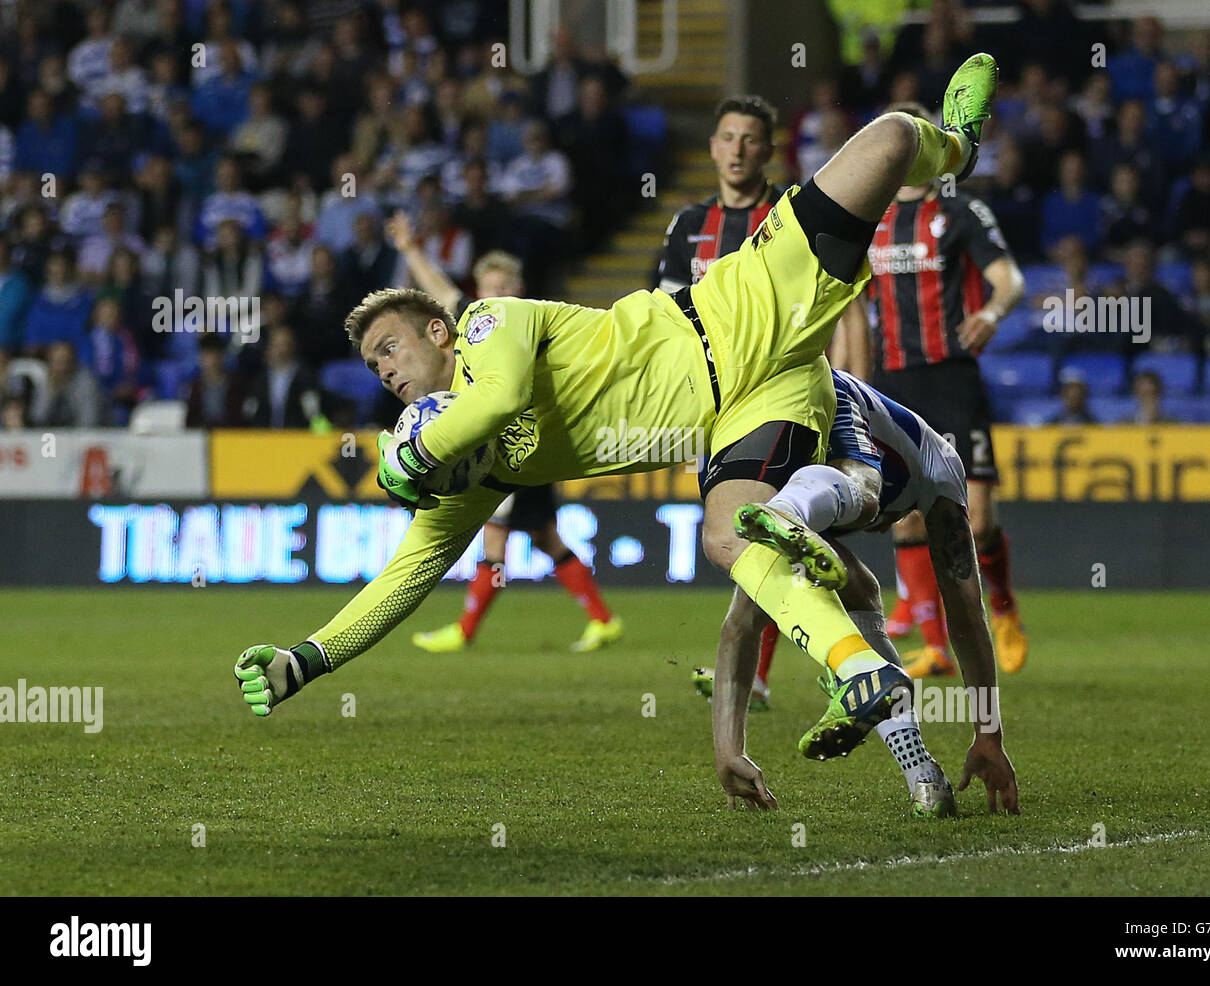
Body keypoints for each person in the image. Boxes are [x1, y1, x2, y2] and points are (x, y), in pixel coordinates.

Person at [232, 55, 1016, 814]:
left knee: (889, 138)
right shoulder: (473, 466)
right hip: (749, 407)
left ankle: (961, 145)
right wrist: (308, 658)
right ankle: (859, 670)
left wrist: (417, 451)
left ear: (437, 329)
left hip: (741, 303)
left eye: (389, 350)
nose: (385, 372)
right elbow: (403, 577)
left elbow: (499, 397)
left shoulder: (489, 326)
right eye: (373, 370)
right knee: (729, 540)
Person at [709, 368, 1018, 815]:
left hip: (763, 419)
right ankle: (785, 513)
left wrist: (727, 751)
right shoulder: (939, 467)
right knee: (866, 493)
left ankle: (923, 777)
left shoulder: (803, 466)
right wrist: (988, 734)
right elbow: (967, 613)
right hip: (823, 389)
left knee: (858, 591)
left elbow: (740, 627)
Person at [654, 93, 870, 708]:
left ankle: (780, 669)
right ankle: (823, 657)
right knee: (762, 534)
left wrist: (852, 385)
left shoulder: (793, 214)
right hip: (717, 402)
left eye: (750, 139)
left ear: (769, 150)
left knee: (767, 527)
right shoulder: (688, 225)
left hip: (788, 393)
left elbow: (843, 304)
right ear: (714, 146)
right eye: (727, 137)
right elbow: (667, 316)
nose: (738, 149)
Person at [384, 210, 623, 654]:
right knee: (544, 537)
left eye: (502, 289)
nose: (494, 296)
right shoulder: (473, 320)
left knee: (498, 539)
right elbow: (439, 290)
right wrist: (410, 249)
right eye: (488, 289)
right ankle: (601, 619)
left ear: (518, 289)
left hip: (520, 445)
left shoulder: (527, 326)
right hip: (514, 446)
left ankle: (466, 630)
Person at [867, 102, 1028, 679]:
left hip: (953, 378)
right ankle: (936, 646)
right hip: (893, 385)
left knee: (977, 520)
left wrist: (991, 312)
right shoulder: (870, 219)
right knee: (906, 518)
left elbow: (1008, 279)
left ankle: (1004, 608)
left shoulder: (961, 210)